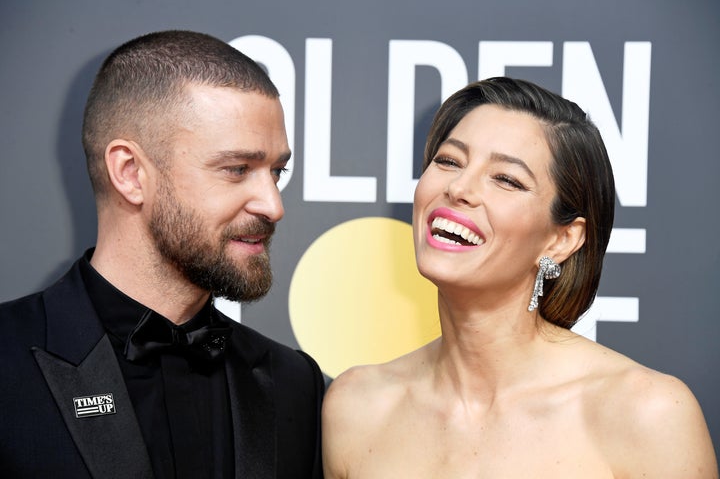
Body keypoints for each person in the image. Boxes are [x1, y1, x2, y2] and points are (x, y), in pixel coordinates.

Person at [321, 77, 718, 478]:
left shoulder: (648, 414)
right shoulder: (356, 407)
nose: (459, 188)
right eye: (449, 161)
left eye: (507, 179)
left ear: (562, 239)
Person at [0, 30, 324, 478]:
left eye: (276, 171)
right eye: (237, 169)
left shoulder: (293, 383)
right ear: (130, 173)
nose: (273, 205)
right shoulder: (6, 361)